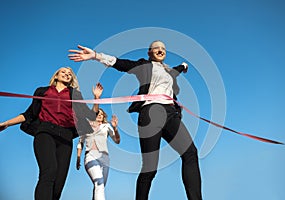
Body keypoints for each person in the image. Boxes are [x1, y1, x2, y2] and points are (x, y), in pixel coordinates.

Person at [68, 40, 203, 200]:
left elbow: (177, 69)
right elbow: (121, 64)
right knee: (150, 167)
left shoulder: (169, 71)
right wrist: (96, 56)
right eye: (156, 48)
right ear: (149, 52)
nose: (160, 50)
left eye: (163, 48)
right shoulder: (144, 66)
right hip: (151, 112)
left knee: (190, 153)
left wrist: (183, 66)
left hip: (171, 113)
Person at [0, 67, 103, 200]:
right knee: (49, 171)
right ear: (56, 76)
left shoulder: (75, 94)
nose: (67, 74)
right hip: (45, 133)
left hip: (66, 138)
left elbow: (91, 115)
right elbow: (29, 115)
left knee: (59, 182)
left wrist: (96, 99)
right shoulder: (42, 91)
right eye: (63, 72)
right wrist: (6, 123)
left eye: (69, 74)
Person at [76, 108, 120, 200]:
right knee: (99, 183)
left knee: (100, 186)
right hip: (90, 156)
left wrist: (115, 128)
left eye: (102, 114)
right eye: (98, 114)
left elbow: (117, 140)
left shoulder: (106, 126)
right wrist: (78, 158)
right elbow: (80, 143)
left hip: (104, 158)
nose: (100, 115)